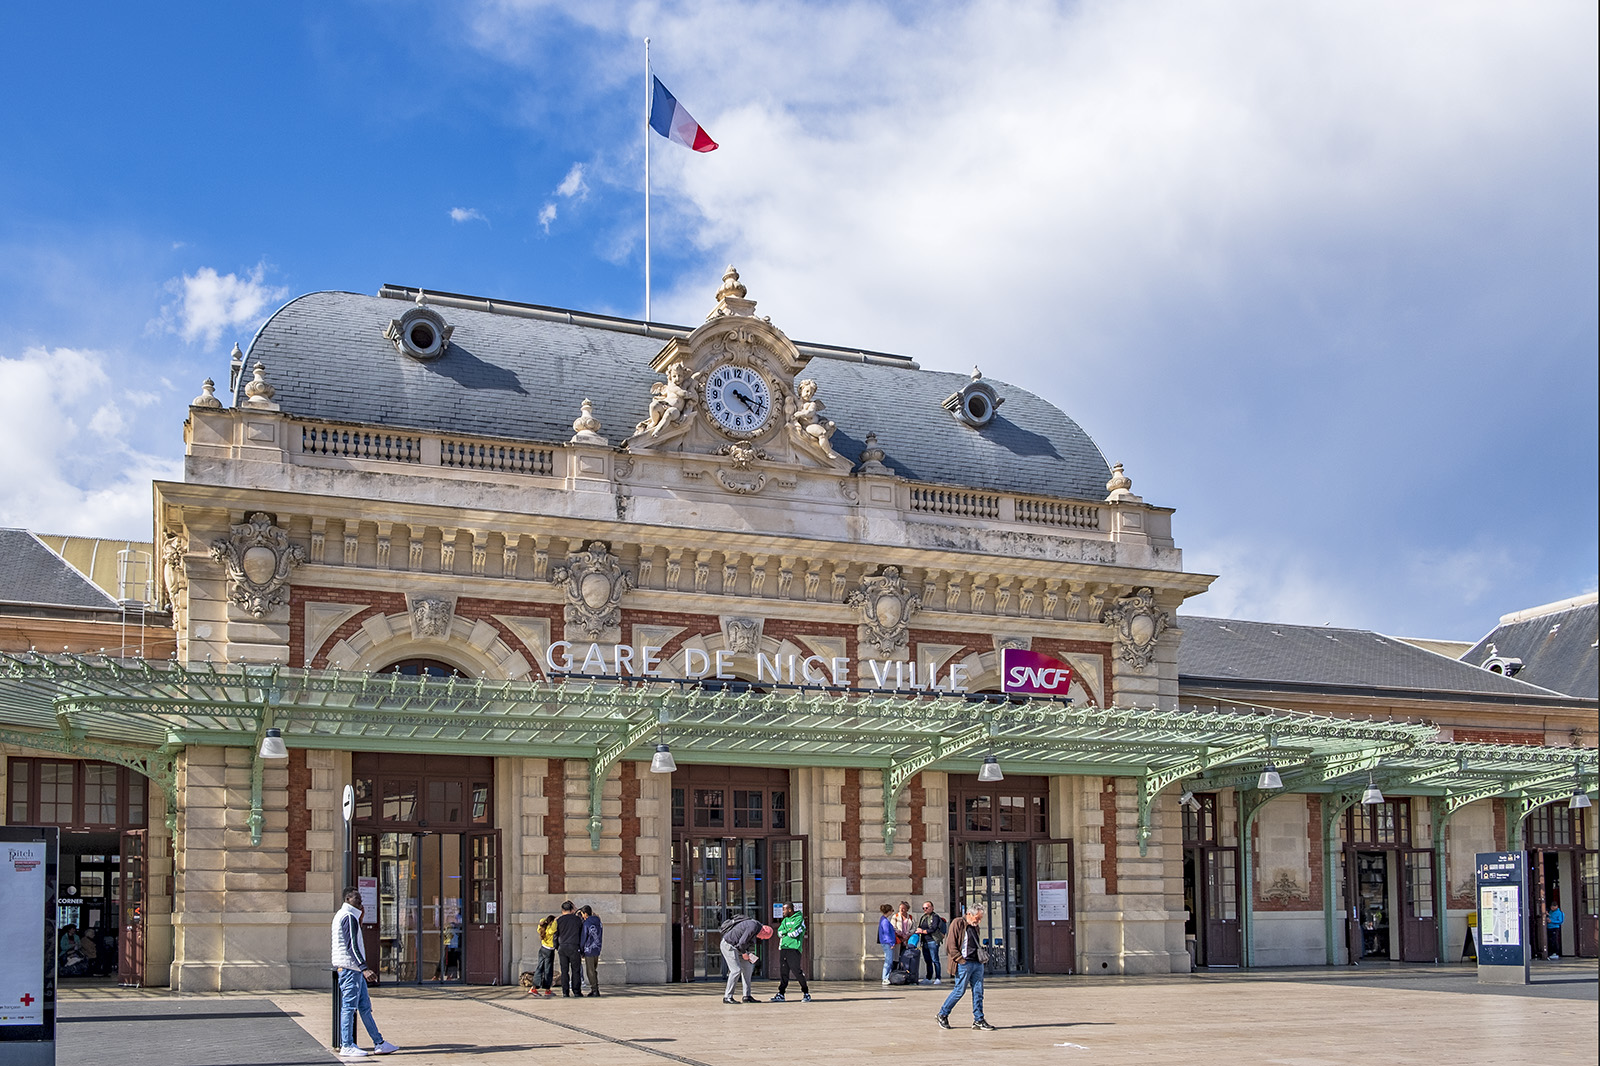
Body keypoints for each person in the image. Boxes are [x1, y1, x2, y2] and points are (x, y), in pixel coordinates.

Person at [331, 886, 400, 1058]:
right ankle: (346, 1045)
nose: (360, 902)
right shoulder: (348, 916)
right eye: (356, 899)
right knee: (349, 1007)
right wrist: (364, 968)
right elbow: (352, 945)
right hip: (350, 969)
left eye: (361, 899)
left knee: (364, 1007)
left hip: (352, 969)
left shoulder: (349, 916)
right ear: (347, 899)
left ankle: (379, 1043)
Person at [936, 903, 996, 1031]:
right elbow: (950, 945)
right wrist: (960, 960)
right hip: (964, 963)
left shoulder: (975, 927)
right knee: (959, 991)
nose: (979, 921)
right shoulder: (957, 923)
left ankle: (979, 1019)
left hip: (976, 963)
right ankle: (942, 1014)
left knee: (978, 992)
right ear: (969, 914)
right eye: (977, 918)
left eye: (980, 918)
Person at [719, 915, 773, 1004]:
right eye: (763, 937)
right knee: (736, 970)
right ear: (764, 932)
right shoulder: (753, 926)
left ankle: (747, 996)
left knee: (748, 968)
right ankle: (727, 997)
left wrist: (748, 954)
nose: (761, 938)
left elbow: (743, 943)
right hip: (728, 945)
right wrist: (744, 954)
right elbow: (742, 942)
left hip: (737, 947)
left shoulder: (755, 928)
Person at [770, 903, 811, 1002]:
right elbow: (780, 932)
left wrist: (787, 932)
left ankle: (806, 993)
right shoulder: (784, 920)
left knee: (797, 971)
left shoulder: (799, 919)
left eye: (784, 909)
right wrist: (787, 931)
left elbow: (794, 933)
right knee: (784, 972)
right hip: (784, 947)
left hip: (794, 948)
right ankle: (781, 993)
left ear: (789, 910)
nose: (783, 912)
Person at [554, 900, 584, 998]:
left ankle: (565, 992)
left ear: (562, 910)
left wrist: (557, 946)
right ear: (571, 909)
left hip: (562, 947)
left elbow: (555, 934)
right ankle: (576, 991)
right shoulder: (577, 919)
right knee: (576, 970)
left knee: (564, 970)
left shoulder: (559, 920)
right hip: (574, 946)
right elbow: (581, 934)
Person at [916, 900, 948, 985]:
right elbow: (919, 927)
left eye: (927, 907)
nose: (925, 909)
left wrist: (923, 931)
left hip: (932, 941)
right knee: (927, 960)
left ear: (932, 908)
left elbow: (933, 928)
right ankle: (928, 977)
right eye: (923, 908)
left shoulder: (935, 917)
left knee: (935, 960)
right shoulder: (923, 917)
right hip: (925, 941)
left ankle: (938, 978)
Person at [527, 914, 557, 996]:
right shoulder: (550, 930)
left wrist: (544, 920)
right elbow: (554, 928)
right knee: (548, 970)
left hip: (542, 949)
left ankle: (534, 988)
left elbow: (541, 922)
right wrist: (555, 920)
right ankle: (547, 989)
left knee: (539, 968)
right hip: (549, 951)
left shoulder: (541, 929)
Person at [579, 905, 604, 996]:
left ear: (585, 914)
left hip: (588, 949)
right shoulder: (598, 922)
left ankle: (595, 990)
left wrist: (581, 950)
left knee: (590, 971)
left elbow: (584, 937)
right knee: (594, 969)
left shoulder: (587, 923)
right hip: (597, 948)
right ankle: (595, 988)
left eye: (582, 914)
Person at [893, 901, 918, 982]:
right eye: (900, 908)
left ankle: (906, 974)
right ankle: (895, 974)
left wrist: (908, 934)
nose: (902, 910)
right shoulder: (895, 917)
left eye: (904, 908)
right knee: (896, 957)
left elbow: (914, 927)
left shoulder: (910, 917)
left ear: (907, 909)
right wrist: (900, 934)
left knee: (906, 957)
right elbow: (893, 927)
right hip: (898, 939)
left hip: (907, 939)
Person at [877, 903, 898, 984]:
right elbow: (886, 933)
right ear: (888, 911)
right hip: (887, 943)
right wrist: (891, 943)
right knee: (888, 961)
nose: (892, 912)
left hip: (885, 942)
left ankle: (886, 977)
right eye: (892, 911)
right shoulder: (885, 921)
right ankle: (885, 977)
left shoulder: (882, 919)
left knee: (888, 960)